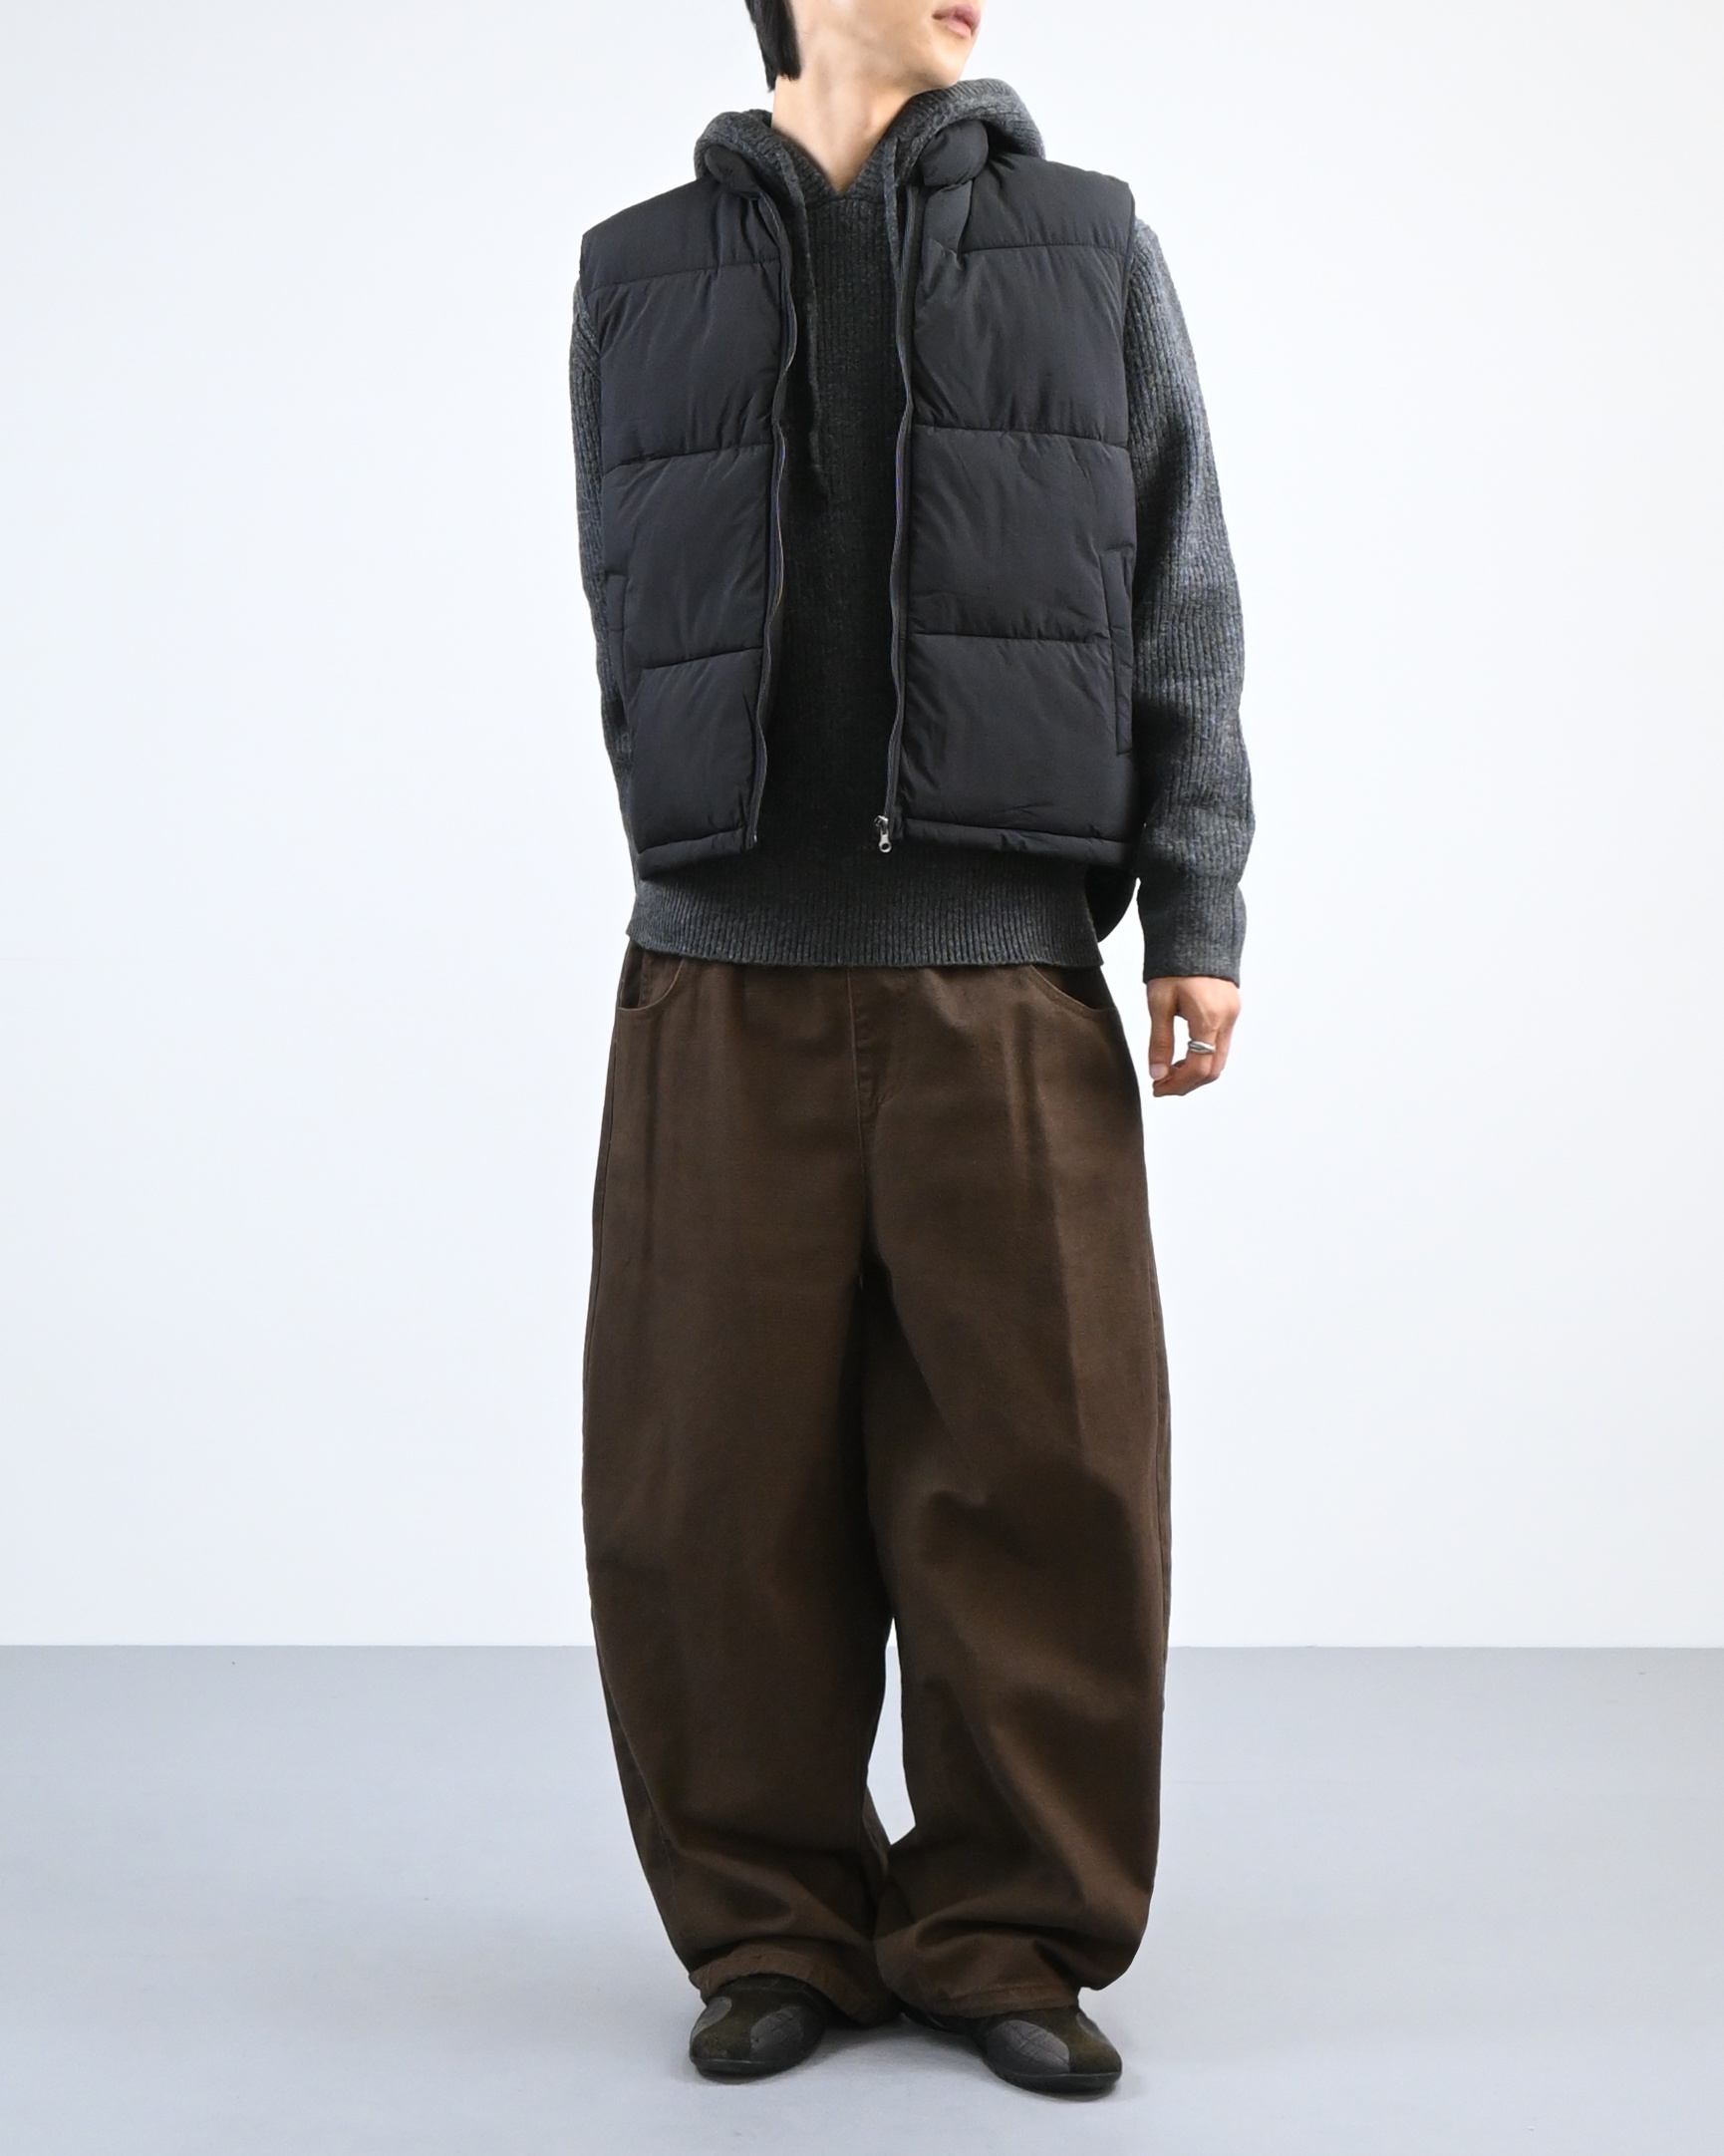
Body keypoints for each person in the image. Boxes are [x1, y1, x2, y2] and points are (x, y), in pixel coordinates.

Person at [569, 0, 1251, 2098]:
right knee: (705, 1495)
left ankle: (1003, 1930)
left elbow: (1179, 579)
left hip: (1002, 981)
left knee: (1046, 1478)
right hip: (717, 985)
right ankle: (770, 1928)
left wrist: (1194, 905)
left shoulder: (1088, 239)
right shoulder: (637, 270)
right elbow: (629, 599)